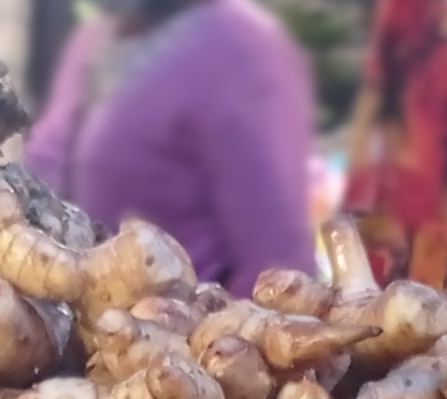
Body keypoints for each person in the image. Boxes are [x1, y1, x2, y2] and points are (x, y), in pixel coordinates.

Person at [24, 0, 317, 295]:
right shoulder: (92, 40)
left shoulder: (244, 51)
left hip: (175, 332)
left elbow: (281, 266)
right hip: (54, 325)